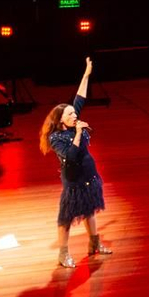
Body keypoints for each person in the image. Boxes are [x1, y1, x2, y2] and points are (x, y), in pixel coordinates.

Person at [39, 58, 110, 268]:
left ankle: (94, 244)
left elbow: (80, 97)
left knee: (90, 210)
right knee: (66, 218)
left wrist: (86, 74)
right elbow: (71, 155)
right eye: (70, 114)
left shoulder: (72, 123)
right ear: (61, 120)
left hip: (90, 177)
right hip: (74, 182)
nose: (75, 115)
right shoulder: (56, 138)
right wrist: (78, 132)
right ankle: (63, 254)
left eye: (74, 112)